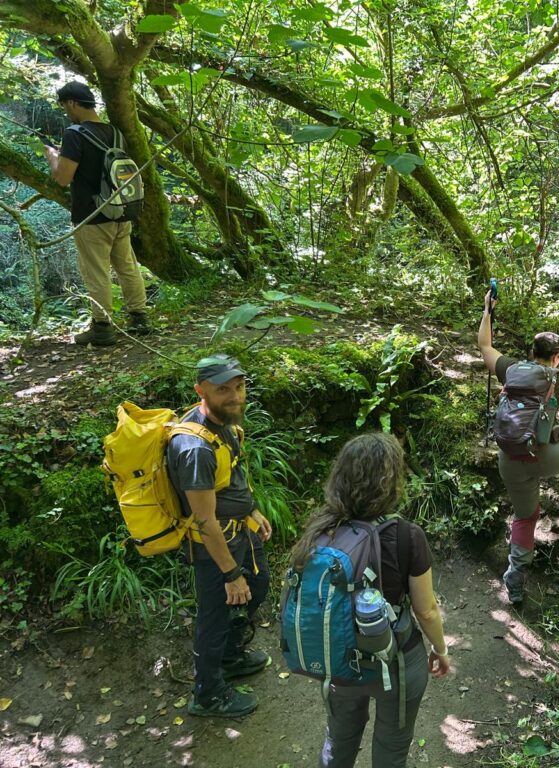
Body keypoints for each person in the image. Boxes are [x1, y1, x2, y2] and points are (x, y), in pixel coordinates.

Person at [289, 432, 451, 767]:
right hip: (396, 661)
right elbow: (426, 609)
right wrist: (440, 649)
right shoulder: (407, 535)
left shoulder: (320, 530)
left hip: (339, 660)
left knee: (339, 739)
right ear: (391, 481)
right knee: (391, 749)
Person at [166, 354, 273, 717]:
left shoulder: (220, 423)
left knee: (258, 586)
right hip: (213, 547)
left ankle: (230, 657)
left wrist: (252, 510)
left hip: (240, 530)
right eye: (223, 389)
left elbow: (231, 477)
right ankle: (208, 695)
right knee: (214, 618)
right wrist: (230, 574)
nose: (235, 396)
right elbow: (203, 521)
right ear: (201, 391)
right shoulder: (194, 449)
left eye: (239, 387)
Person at [478, 293, 559, 605]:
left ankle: (515, 583)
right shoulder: (558, 378)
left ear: (531, 352)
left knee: (525, 517)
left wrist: (487, 311)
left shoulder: (511, 370)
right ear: (557, 357)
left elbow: (485, 347)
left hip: (510, 460)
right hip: (546, 458)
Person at [44, 81, 150, 346]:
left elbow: (63, 178)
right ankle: (139, 319)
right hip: (121, 211)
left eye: (64, 106)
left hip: (91, 215)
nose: (66, 111)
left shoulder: (74, 134)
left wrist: (51, 155)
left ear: (71, 103)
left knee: (96, 272)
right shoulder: (114, 133)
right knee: (127, 266)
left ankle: (102, 328)